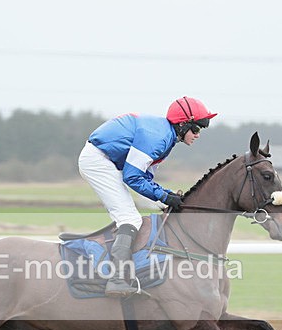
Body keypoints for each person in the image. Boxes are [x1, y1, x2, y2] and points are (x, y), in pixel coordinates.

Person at [78, 96, 217, 297]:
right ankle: (117, 279)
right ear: (183, 124)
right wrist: (164, 196)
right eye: (196, 129)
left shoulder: (166, 137)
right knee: (129, 218)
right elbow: (133, 177)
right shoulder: (158, 137)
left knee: (144, 212)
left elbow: (145, 177)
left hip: (109, 161)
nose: (198, 135)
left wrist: (166, 195)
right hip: (98, 162)